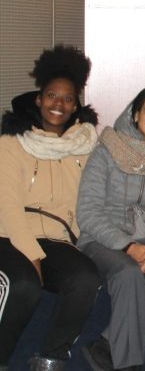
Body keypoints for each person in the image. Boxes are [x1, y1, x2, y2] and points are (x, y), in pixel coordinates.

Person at [0, 46, 101, 370]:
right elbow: (8, 204)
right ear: (38, 99)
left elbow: (96, 196)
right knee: (26, 285)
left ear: (76, 105)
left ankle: (51, 358)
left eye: (67, 98)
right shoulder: (12, 142)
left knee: (85, 278)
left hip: (57, 238)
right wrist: (31, 254)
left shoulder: (84, 146)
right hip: (9, 235)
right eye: (52, 96)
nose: (59, 104)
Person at [76, 86, 145, 371]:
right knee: (128, 272)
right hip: (102, 238)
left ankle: (107, 346)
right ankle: (127, 365)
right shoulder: (107, 150)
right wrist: (129, 247)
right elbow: (87, 212)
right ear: (135, 114)